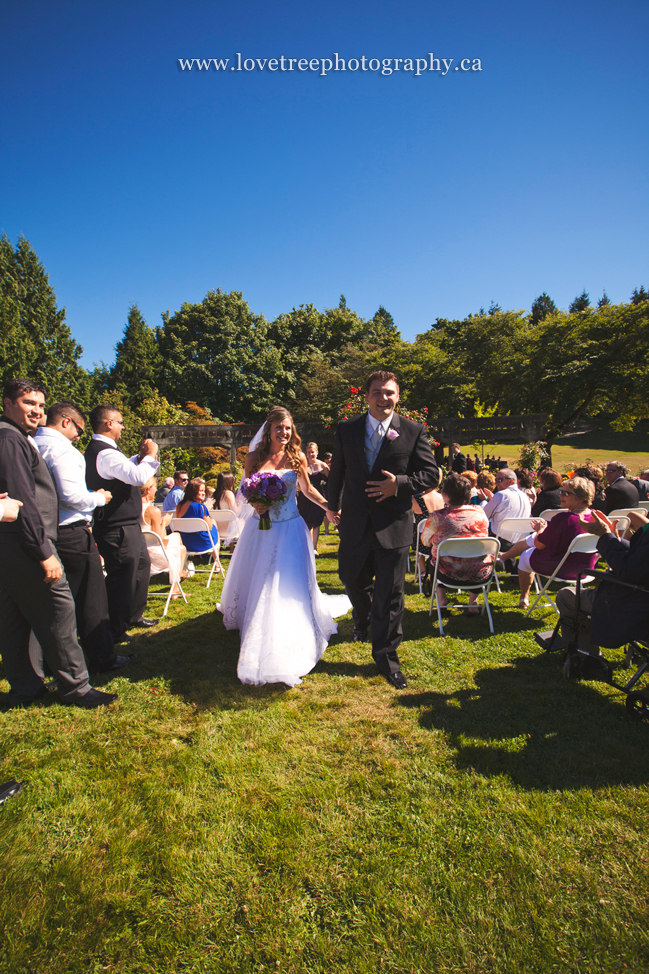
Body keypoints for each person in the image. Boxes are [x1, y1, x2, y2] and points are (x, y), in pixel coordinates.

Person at [0, 378, 116, 708]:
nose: (36, 410)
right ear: (8, 403)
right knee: (60, 611)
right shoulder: (11, 440)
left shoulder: (18, 438)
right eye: (28, 403)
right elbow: (24, 500)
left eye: (40, 404)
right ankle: (76, 688)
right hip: (27, 544)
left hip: (9, 544)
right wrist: (43, 551)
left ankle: (26, 685)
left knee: (14, 619)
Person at [218, 406, 351, 687]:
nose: (284, 432)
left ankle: (287, 625)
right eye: (279, 427)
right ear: (269, 430)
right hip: (260, 529)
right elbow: (244, 488)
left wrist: (329, 508)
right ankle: (256, 621)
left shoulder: (297, 456)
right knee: (262, 578)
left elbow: (307, 490)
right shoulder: (254, 457)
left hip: (290, 527)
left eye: (288, 428)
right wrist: (255, 502)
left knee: (285, 580)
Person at [327, 371, 438, 689]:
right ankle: (361, 617)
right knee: (350, 578)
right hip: (355, 523)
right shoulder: (347, 429)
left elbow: (431, 474)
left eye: (389, 392)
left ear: (398, 396)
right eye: (377, 392)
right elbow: (338, 471)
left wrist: (399, 485)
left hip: (394, 525)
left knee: (390, 596)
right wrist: (331, 505)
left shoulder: (414, 431)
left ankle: (387, 659)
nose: (383, 397)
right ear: (367, 396)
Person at [35, 400, 132, 673]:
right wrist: (98, 497)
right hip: (70, 531)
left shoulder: (31, 444)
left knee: (53, 603)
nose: (80, 435)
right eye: (78, 428)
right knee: (91, 599)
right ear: (66, 421)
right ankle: (102, 657)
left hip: (41, 534)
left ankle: (50, 662)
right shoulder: (63, 451)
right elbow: (72, 496)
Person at [85, 404, 160, 643]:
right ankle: (115, 629)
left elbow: (125, 469)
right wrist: (150, 455)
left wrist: (138, 458)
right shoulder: (104, 452)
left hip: (127, 524)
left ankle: (133, 615)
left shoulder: (109, 452)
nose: (123, 426)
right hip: (116, 527)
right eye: (120, 422)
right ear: (109, 424)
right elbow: (138, 476)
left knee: (140, 567)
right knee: (121, 577)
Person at [547, 508, 649, 654]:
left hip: (635, 607)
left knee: (566, 596)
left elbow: (628, 572)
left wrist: (605, 535)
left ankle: (587, 659)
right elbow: (640, 559)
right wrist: (614, 539)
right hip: (639, 599)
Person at [499, 476, 599, 608]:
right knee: (531, 540)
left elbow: (540, 544)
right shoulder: (595, 517)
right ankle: (503, 557)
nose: (561, 496)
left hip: (561, 567)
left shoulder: (565, 519)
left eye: (566, 493)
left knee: (524, 556)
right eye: (561, 492)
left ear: (580, 498)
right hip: (586, 570)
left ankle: (524, 596)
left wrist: (541, 530)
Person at [421, 472, 493, 614]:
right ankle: (473, 603)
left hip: (447, 572)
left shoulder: (438, 517)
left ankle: (442, 600)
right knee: (475, 557)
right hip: (479, 572)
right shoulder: (480, 512)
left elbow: (425, 541)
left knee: (434, 558)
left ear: (446, 495)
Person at [141, 477, 187, 597]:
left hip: (138, 551)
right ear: (148, 490)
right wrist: (164, 523)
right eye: (155, 488)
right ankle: (176, 585)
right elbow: (159, 539)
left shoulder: (131, 508)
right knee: (181, 548)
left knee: (176, 536)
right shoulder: (152, 511)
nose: (156, 490)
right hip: (153, 557)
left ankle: (180, 573)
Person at [481, 467, 531, 546]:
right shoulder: (524, 496)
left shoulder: (501, 495)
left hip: (500, 542)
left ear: (510, 481)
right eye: (495, 480)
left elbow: (483, 516)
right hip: (522, 542)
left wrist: (484, 501)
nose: (496, 483)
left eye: (499, 480)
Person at [297, 442, 329, 554]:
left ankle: (314, 547)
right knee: (306, 521)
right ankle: (309, 547)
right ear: (306, 453)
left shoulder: (323, 466)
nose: (311, 454)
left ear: (317, 452)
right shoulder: (302, 464)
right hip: (304, 497)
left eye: (313, 452)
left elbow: (332, 481)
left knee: (316, 521)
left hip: (317, 495)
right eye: (309, 452)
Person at [174, 478, 219, 555]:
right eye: (201, 491)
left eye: (204, 491)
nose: (203, 493)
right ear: (193, 492)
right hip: (202, 543)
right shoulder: (200, 507)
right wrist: (206, 509)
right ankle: (217, 565)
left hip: (185, 542)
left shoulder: (179, 506)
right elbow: (209, 527)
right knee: (213, 523)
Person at [412, 483, 444, 583]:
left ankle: (423, 571)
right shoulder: (444, 498)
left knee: (416, 536)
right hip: (442, 543)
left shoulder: (416, 499)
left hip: (422, 544)